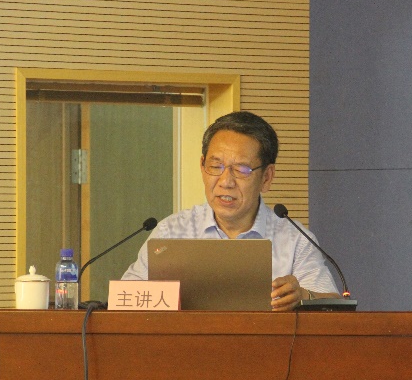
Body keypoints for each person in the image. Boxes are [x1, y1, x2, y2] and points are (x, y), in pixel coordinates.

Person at [121, 111, 341, 311]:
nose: (226, 182)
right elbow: (125, 301)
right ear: (202, 166)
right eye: (216, 166)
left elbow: (332, 306)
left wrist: (303, 296)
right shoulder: (171, 232)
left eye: (242, 169)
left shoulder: (295, 241)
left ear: (266, 177)